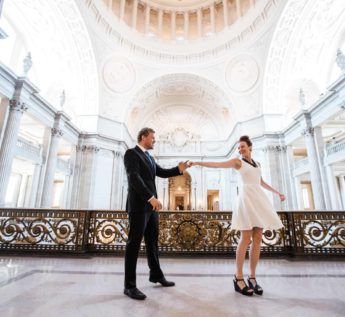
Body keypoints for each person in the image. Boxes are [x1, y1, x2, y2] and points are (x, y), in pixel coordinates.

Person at [190, 135, 285, 296]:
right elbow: (217, 164)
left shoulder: (258, 164)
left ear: (250, 147)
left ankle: (252, 277)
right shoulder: (237, 162)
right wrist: (198, 163)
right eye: (239, 147)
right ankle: (238, 276)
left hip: (258, 198)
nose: (240, 149)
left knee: (258, 238)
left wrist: (277, 192)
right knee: (246, 237)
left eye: (243, 146)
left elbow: (260, 181)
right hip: (246, 199)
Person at [123, 127, 190, 300]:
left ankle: (156, 275)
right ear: (143, 137)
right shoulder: (131, 154)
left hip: (151, 208)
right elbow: (134, 178)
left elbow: (162, 172)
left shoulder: (149, 157)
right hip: (139, 206)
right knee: (134, 245)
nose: (154, 140)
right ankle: (129, 286)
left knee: (152, 242)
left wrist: (179, 169)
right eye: (152, 138)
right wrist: (150, 198)